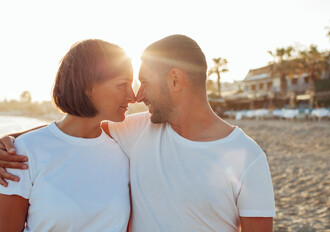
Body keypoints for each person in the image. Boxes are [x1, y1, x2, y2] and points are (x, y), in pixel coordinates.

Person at [0, 35, 275, 231]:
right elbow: (72, 130)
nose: (137, 95)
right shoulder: (138, 130)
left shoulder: (248, 158)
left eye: (143, 82)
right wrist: (12, 141)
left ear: (175, 80)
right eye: (127, 84)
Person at [0, 39, 134, 231]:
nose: (133, 95)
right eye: (123, 84)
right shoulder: (23, 152)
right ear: (88, 87)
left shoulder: (126, 148)